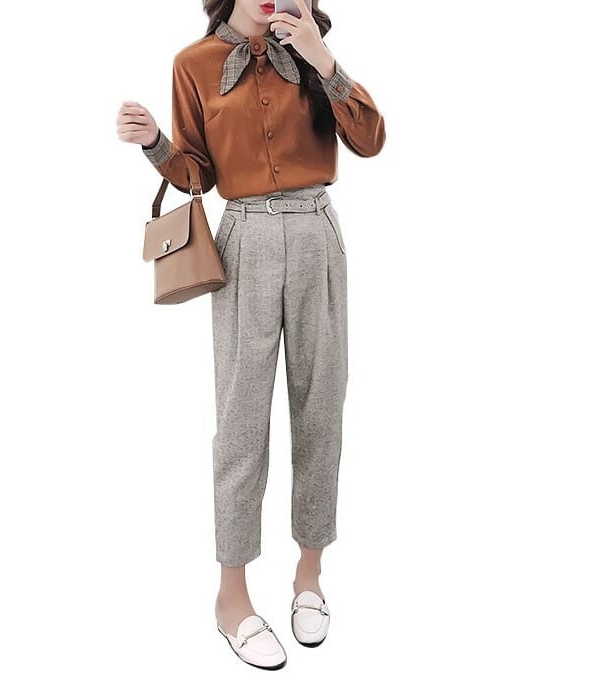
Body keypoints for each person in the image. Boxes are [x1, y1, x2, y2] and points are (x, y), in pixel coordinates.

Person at [116, 0, 385, 667]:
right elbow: (198, 174)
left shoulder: (311, 51)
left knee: (320, 408)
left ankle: (309, 576)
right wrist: (155, 142)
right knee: (240, 421)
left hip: (317, 230)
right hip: (245, 237)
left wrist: (322, 59)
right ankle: (231, 596)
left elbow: (371, 138)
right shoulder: (193, 63)